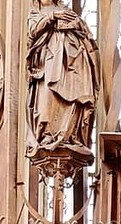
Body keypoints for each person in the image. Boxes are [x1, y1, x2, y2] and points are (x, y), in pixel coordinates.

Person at [26, 0, 100, 162]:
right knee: (48, 97)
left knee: (73, 98)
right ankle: (47, 135)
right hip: (49, 62)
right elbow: (32, 31)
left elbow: (86, 34)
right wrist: (52, 17)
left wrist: (77, 26)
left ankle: (71, 135)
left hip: (73, 65)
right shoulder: (35, 12)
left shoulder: (66, 10)